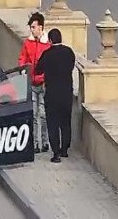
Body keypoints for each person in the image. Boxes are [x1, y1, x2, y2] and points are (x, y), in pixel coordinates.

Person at [34, 28, 75, 163]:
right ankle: (65, 150)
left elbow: (38, 70)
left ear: (50, 40)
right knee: (65, 122)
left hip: (52, 94)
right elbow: (71, 66)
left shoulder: (47, 54)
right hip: (66, 93)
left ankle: (56, 153)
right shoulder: (69, 52)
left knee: (53, 123)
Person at [17, 12, 51, 153]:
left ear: (40, 28)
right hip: (31, 82)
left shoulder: (47, 45)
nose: (32, 29)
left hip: (43, 83)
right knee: (33, 114)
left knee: (42, 115)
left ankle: (45, 142)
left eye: (33, 27)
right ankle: (35, 143)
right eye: (31, 27)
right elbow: (22, 59)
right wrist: (23, 69)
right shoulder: (28, 43)